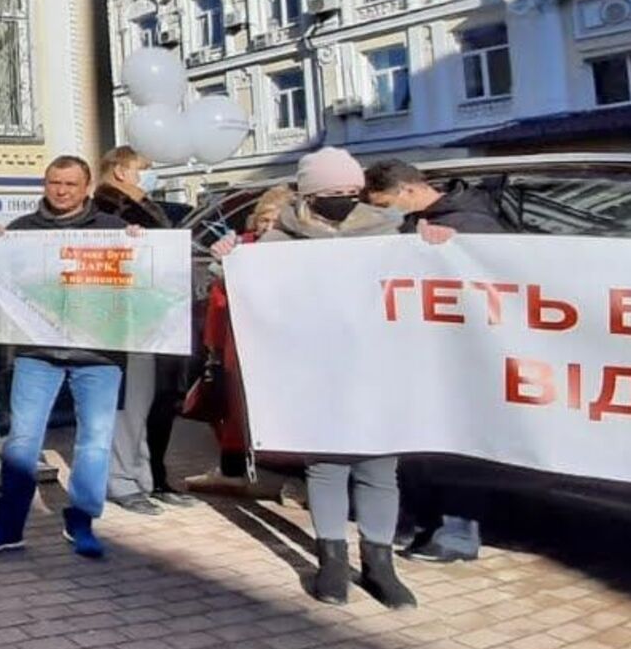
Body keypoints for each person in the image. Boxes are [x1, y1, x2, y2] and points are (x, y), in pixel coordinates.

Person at [257, 146, 415, 609]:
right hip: (314, 366)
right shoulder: (280, 239)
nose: (342, 198)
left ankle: (380, 563)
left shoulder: (392, 232)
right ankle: (331, 558)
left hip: (379, 364)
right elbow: (250, 290)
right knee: (326, 465)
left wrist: (440, 244)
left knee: (379, 466)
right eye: (331, 192)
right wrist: (229, 259)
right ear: (309, 194)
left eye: (350, 190)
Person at [0, 156, 135, 561]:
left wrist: (142, 246)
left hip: (99, 354)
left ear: (87, 187)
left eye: (70, 184)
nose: (61, 191)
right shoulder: (23, 231)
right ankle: (7, 526)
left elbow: (145, 278)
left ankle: (81, 520)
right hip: (36, 353)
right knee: (23, 440)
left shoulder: (114, 230)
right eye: (54, 182)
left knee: (95, 443)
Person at [363, 158, 508, 565]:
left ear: (408, 191)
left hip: (462, 354)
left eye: (385, 202)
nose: (383, 212)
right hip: (424, 352)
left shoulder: (468, 224)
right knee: (426, 441)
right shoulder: (423, 222)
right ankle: (430, 524)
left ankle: (458, 533)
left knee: (455, 441)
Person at [91, 146, 195, 514]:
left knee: (156, 400)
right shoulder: (107, 209)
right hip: (126, 315)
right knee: (131, 403)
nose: (148, 176)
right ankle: (123, 479)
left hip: (157, 312)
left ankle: (149, 476)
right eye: (143, 169)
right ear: (120, 170)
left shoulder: (144, 206)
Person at [185, 185, 295, 499]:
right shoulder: (241, 248)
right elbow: (217, 296)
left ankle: (293, 480)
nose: (267, 227)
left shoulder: (300, 250)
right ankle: (231, 470)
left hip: (280, 349)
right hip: (235, 346)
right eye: (263, 220)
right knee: (232, 411)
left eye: (275, 220)